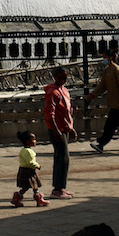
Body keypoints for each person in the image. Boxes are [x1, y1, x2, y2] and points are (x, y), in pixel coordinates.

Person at [88, 45, 119, 152]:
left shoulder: (116, 69)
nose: (104, 59)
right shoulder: (107, 71)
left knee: (110, 126)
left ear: (110, 57)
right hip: (114, 104)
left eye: (105, 57)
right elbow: (102, 86)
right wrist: (93, 95)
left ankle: (101, 144)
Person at [44, 66, 77, 199]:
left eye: (65, 77)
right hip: (56, 129)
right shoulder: (53, 93)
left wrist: (71, 128)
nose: (63, 79)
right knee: (63, 158)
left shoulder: (64, 91)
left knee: (61, 158)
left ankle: (60, 187)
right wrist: (56, 129)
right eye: (60, 77)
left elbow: (67, 112)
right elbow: (49, 113)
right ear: (55, 77)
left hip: (64, 128)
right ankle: (57, 188)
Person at [11, 130, 48, 208]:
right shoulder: (28, 151)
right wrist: (37, 165)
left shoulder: (23, 150)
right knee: (28, 186)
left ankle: (36, 198)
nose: (35, 141)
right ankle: (19, 197)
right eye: (33, 140)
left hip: (25, 170)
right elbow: (30, 162)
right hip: (28, 171)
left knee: (33, 186)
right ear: (28, 142)